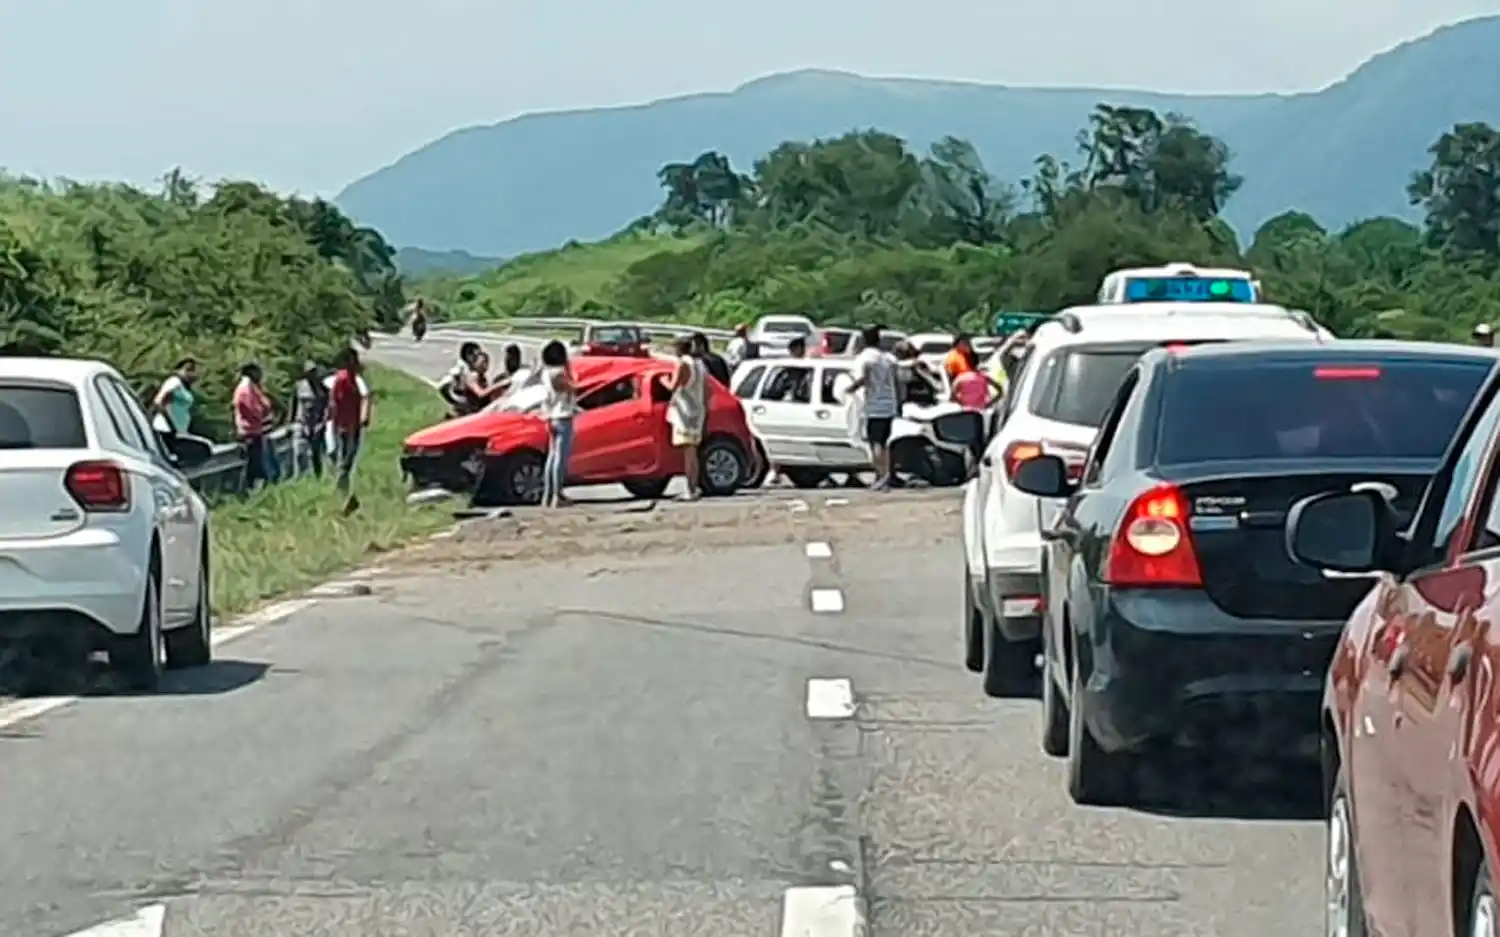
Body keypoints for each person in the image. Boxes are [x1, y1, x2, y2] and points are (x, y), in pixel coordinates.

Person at [848, 325, 900, 491]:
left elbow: (864, 378)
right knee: (884, 443)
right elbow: (897, 383)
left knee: (875, 443)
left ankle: (881, 475)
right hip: (889, 405)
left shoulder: (865, 358)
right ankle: (885, 475)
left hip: (874, 406)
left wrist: (850, 389)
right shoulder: (888, 359)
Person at [667, 335, 708, 500]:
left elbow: (673, 386)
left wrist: (664, 379)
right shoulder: (699, 364)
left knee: (688, 453)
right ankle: (693, 487)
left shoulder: (683, 364)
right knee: (693, 451)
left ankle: (690, 490)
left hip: (685, 411)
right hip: (698, 410)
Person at [328, 348, 371, 508]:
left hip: (353, 424)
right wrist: (338, 425)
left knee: (349, 458)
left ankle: (343, 490)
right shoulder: (343, 378)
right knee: (345, 460)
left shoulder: (352, 378)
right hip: (345, 426)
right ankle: (341, 492)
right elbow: (335, 404)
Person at [539, 340, 576, 508]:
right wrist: (570, 371)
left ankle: (547, 495)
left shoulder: (546, 373)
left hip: (550, 416)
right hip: (563, 416)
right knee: (560, 458)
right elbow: (572, 387)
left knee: (552, 456)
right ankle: (557, 495)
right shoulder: (559, 373)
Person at [233, 363, 274, 492]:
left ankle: (253, 490)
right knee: (254, 467)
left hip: (254, 431)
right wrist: (264, 416)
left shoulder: (252, 388)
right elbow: (254, 410)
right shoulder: (246, 390)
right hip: (250, 433)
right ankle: (249, 492)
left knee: (256, 465)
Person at [150, 358, 198, 454]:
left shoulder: (184, 386)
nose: (190, 373)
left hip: (178, 431)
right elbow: (158, 402)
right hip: (166, 429)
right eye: (187, 370)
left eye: (192, 370)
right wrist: (171, 424)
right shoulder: (174, 382)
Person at [291, 360, 328, 478]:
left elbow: (327, 406)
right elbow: (293, 405)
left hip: (316, 424)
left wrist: (322, 423)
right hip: (301, 422)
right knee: (299, 451)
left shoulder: (322, 387)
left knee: (315, 453)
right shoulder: (299, 386)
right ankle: (299, 476)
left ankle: (318, 475)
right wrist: (290, 422)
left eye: (313, 372)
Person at [438, 342, 482, 413]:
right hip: (453, 395)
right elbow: (445, 384)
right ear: (468, 355)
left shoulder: (466, 367)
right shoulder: (461, 367)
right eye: (475, 356)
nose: (477, 359)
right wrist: (456, 398)